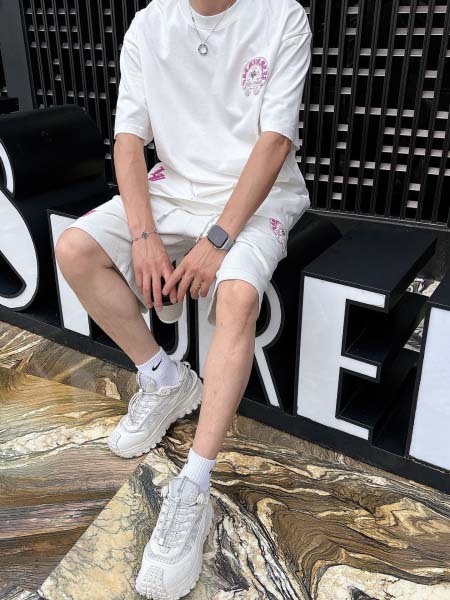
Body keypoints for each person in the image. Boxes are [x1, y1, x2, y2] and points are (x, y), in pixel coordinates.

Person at [55, 0, 312, 597]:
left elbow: (275, 141)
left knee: (238, 296)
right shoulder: (150, 22)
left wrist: (217, 240)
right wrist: (144, 236)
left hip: (257, 197)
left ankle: (194, 484)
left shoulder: (281, 16)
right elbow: (128, 139)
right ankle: (165, 378)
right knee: (75, 249)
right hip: (172, 189)